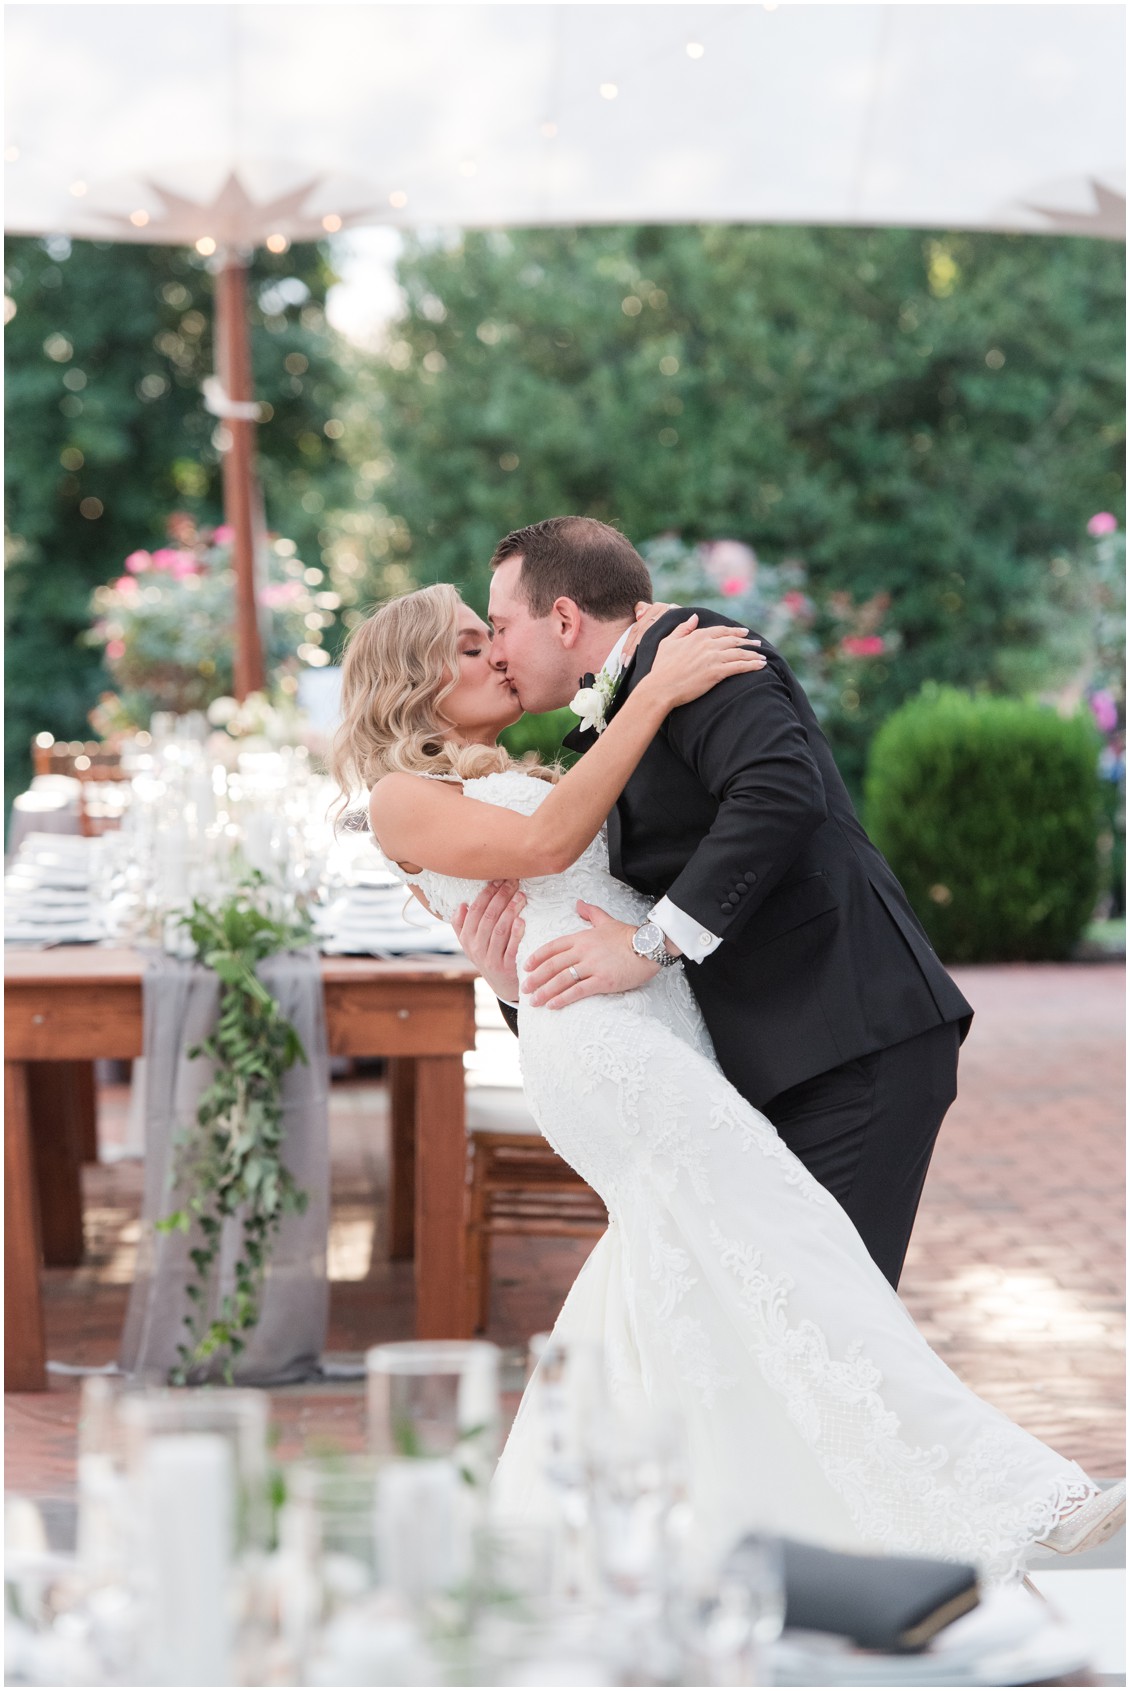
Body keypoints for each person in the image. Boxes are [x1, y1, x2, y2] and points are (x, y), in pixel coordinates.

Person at [331, 576, 1125, 1582]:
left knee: (672, 1280)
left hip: (654, 1028)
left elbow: (580, 884)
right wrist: (652, 693)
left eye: (493, 634)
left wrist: (516, 974)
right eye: (466, 644)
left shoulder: (521, 768)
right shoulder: (401, 797)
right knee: (792, 1244)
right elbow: (546, 846)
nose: (494, 654)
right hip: (608, 1054)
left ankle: (596, 1533)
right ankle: (1019, 1491)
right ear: (409, 680)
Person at [459, 516, 973, 1292]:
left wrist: (646, 947)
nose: (495, 650)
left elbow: (778, 794)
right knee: (771, 1334)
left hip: (852, 1035)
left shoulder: (697, 649)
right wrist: (513, 983)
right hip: (775, 1058)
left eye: (499, 626)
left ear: (563, 618)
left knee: (830, 1335)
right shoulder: (617, 720)